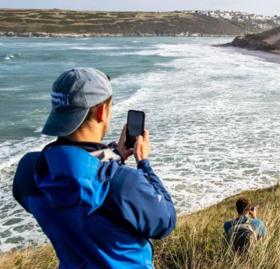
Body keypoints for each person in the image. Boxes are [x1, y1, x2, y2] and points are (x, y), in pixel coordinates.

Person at [12, 68, 176, 269]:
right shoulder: (124, 183)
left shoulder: (28, 171)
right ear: (101, 112)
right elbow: (164, 222)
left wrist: (114, 154)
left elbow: (73, 172)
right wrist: (144, 164)